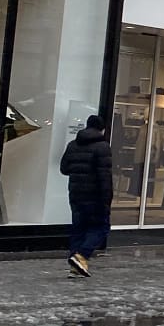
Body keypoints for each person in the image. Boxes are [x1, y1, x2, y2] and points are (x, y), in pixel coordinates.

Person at [59, 114, 113, 278]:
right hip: (95, 196)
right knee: (101, 228)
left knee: (79, 229)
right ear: (101, 129)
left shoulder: (72, 145)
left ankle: (76, 267)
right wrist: (107, 199)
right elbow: (105, 177)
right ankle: (80, 256)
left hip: (75, 194)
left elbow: (64, 169)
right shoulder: (103, 147)